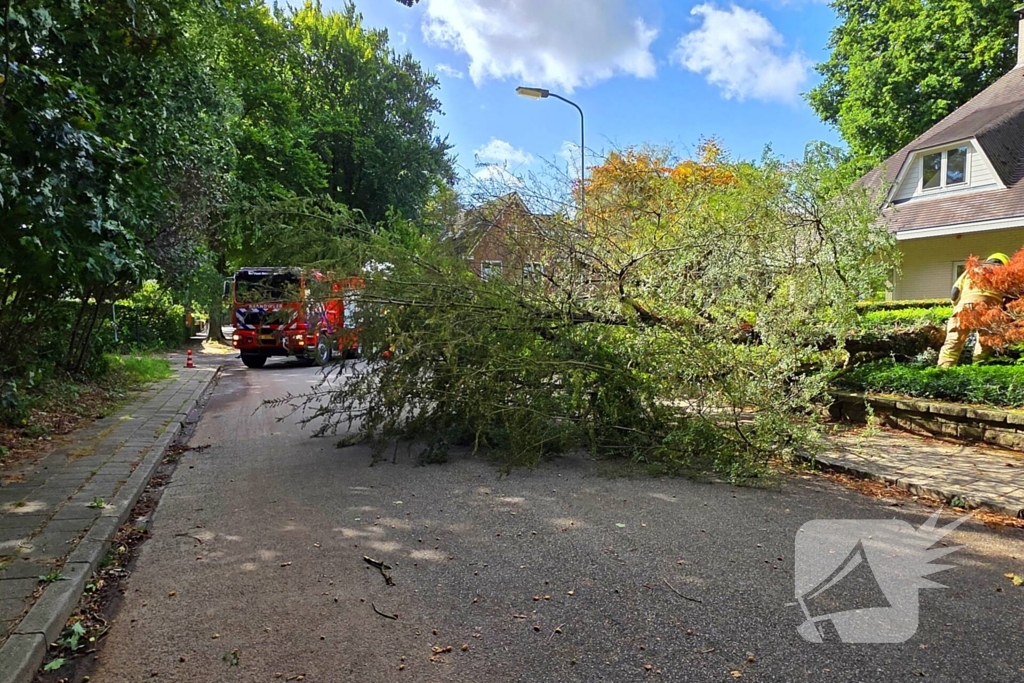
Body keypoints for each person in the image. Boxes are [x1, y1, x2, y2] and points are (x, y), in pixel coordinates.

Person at [937, 252, 1010, 367]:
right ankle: (977, 371)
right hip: (990, 310)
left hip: (965, 306)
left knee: (953, 341)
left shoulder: (972, 270)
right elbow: (1009, 299)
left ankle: (943, 371)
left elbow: (954, 292)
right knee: (985, 343)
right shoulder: (1005, 274)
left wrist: (957, 307)